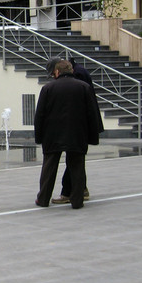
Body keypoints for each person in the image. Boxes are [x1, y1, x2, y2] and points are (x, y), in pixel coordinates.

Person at [34, 60, 103, 209]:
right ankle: (77, 201)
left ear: (57, 72)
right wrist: (92, 137)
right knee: (77, 167)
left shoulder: (47, 88)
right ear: (71, 71)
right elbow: (91, 114)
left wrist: (39, 137)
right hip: (77, 134)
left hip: (52, 134)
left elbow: (39, 115)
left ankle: (43, 198)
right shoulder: (83, 87)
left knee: (49, 167)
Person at [54, 56, 100, 203]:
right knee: (76, 160)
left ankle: (72, 193)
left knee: (74, 161)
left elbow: (78, 103)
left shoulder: (78, 78)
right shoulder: (80, 73)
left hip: (77, 127)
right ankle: (78, 191)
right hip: (80, 126)